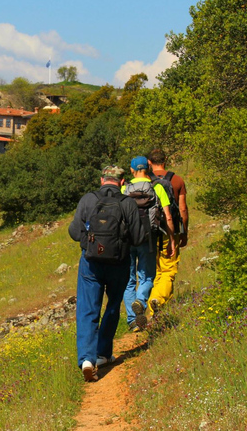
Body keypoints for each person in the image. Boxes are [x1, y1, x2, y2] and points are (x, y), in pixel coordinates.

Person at [69, 165, 144, 382]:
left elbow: (74, 232)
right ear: (122, 182)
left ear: (102, 180)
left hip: (90, 263)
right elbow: (138, 238)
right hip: (119, 264)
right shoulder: (127, 203)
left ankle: (86, 359)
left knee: (87, 309)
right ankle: (103, 354)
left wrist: (90, 244)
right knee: (112, 306)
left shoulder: (87, 200)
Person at [122, 156, 176, 331]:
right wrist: (171, 241)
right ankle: (140, 300)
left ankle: (133, 320)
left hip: (127, 240)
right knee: (147, 277)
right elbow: (168, 216)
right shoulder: (157, 187)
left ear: (131, 170)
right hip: (148, 239)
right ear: (148, 169)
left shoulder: (124, 189)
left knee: (128, 280)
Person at [147, 149, 188, 317]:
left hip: (148, 232)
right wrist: (183, 232)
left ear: (150, 162)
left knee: (156, 272)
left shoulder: (146, 181)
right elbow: (183, 208)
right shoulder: (177, 180)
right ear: (165, 161)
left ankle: (156, 313)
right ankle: (156, 300)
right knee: (169, 270)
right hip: (170, 231)